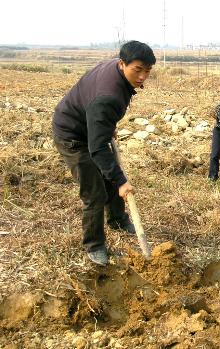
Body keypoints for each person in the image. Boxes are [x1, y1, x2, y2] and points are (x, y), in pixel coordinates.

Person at [52, 41, 156, 266]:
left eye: (147, 71)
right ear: (122, 63)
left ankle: (118, 220)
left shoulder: (115, 72)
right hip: (73, 136)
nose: (142, 77)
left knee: (110, 175)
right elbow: (97, 149)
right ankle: (95, 245)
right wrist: (122, 182)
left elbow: (98, 119)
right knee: (95, 192)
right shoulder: (108, 97)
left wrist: (104, 126)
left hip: (91, 125)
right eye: (137, 70)